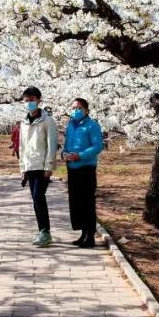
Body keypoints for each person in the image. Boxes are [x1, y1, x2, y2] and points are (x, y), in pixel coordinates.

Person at [18, 85, 59, 247]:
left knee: (38, 197)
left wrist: (49, 165)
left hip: (42, 166)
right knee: (36, 200)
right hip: (30, 165)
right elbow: (22, 146)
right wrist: (22, 168)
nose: (29, 103)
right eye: (27, 101)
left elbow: (52, 143)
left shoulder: (47, 120)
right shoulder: (23, 122)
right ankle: (42, 230)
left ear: (39, 101)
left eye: (32, 100)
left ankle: (45, 231)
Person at [62, 98, 104, 248]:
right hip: (72, 167)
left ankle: (90, 236)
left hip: (86, 168)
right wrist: (64, 154)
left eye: (79, 108)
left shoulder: (92, 126)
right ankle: (83, 233)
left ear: (86, 110)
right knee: (76, 202)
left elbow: (98, 146)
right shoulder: (70, 126)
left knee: (87, 203)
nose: (76, 110)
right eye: (73, 108)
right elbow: (66, 144)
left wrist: (80, 155)